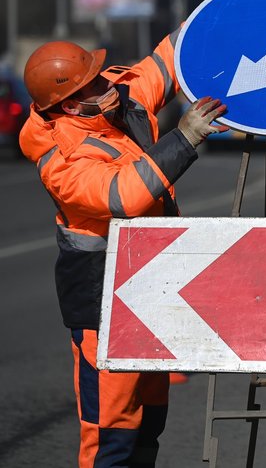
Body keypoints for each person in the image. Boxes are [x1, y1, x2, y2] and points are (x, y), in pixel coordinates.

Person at [18, 34, 228, 467]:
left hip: (151, 288)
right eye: (93, 84)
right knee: (111, 434)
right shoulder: (62, 160)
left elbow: (165, 65)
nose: (106, 84)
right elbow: (124, 194)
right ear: (72, 106)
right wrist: (183, 137)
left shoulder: (113, 96)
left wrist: (210, 13)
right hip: (103, 303)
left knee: (150, 420)